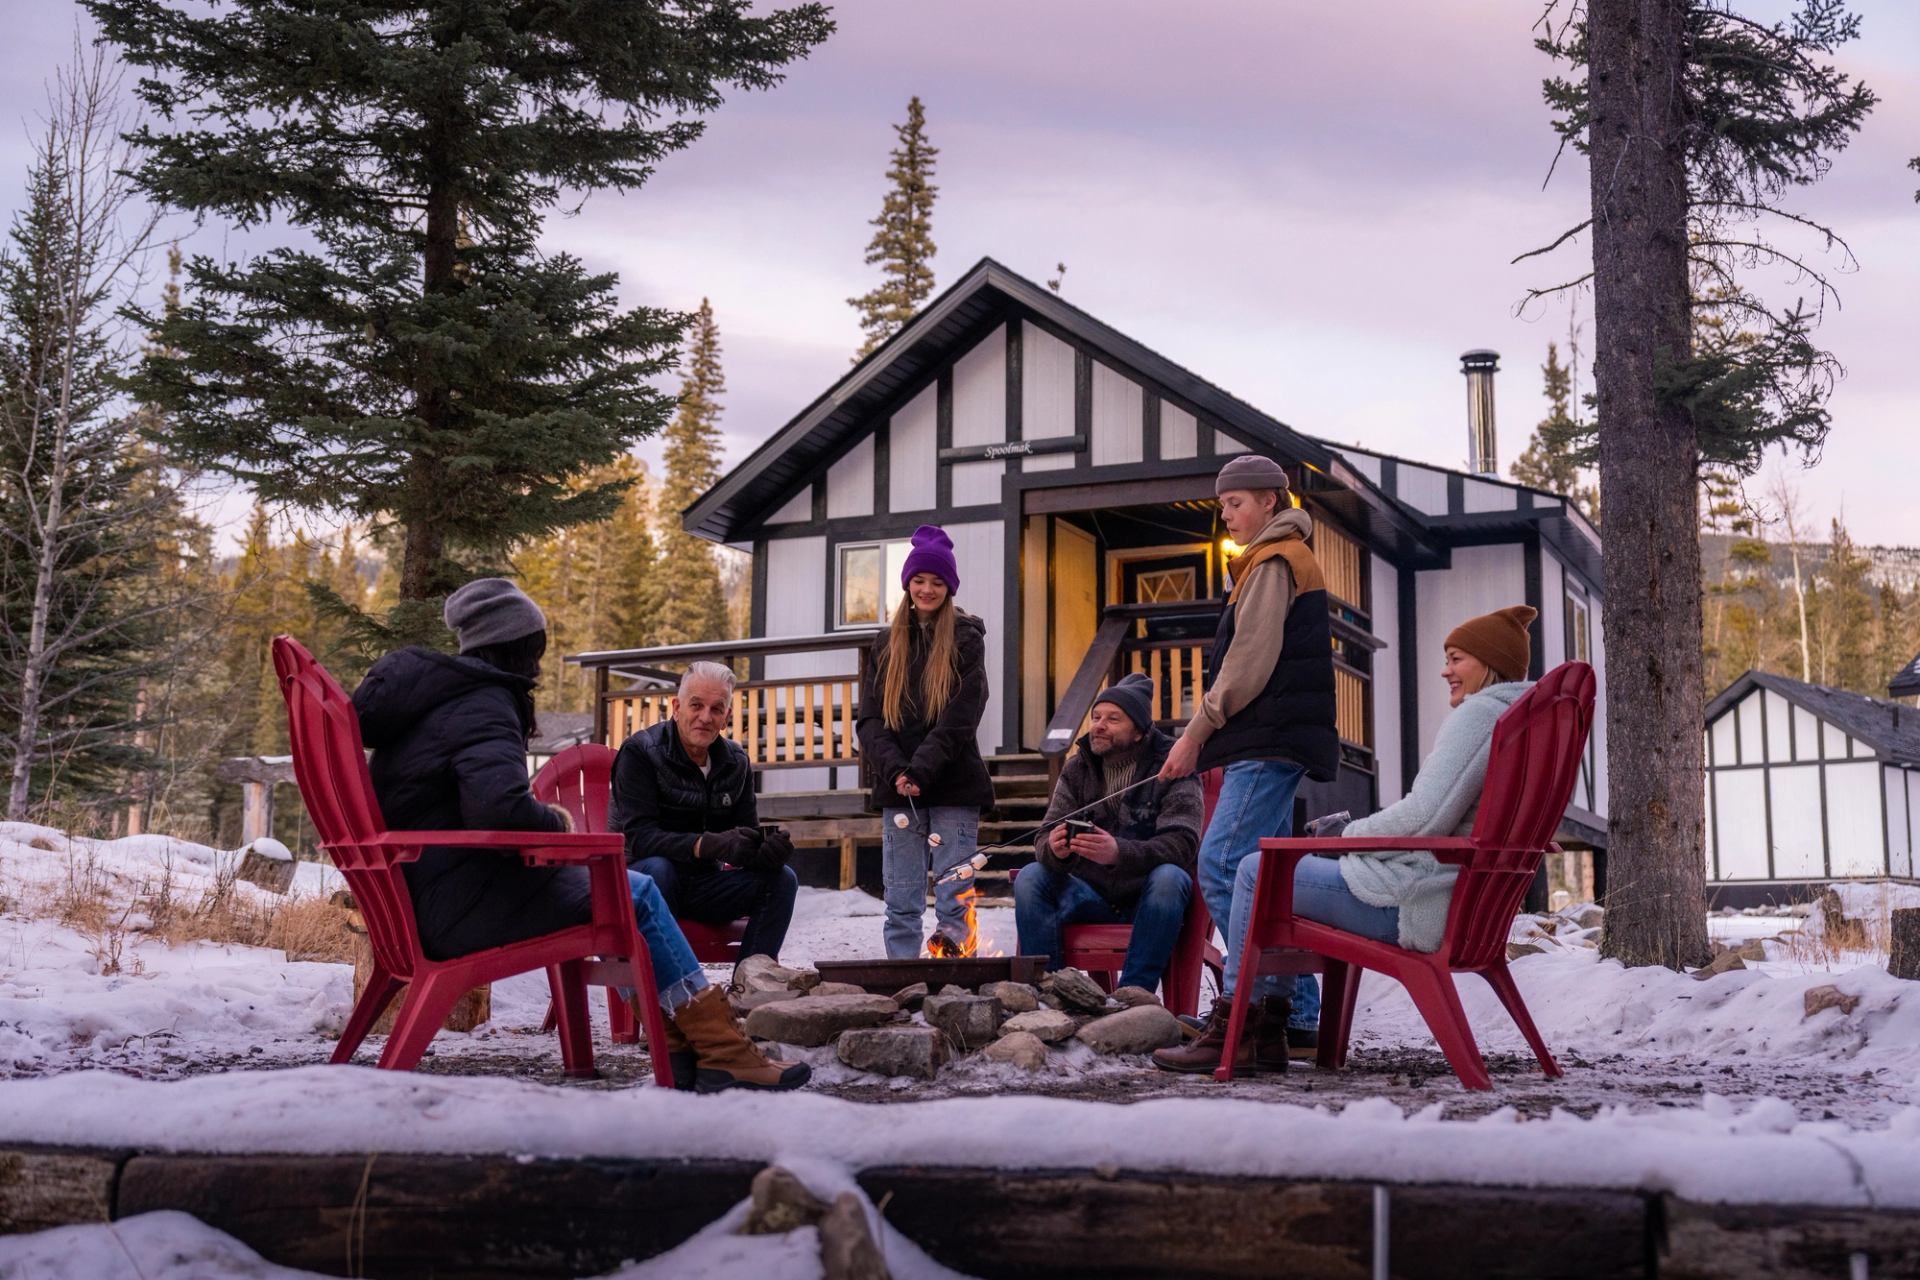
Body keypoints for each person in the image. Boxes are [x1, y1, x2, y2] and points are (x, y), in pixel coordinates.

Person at [351, 578, 808, 1094]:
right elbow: (501, 807)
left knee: (653, 889)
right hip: (455, 903)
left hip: (428, 890)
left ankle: (693, 1046)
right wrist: (558, 826)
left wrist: (755, 850)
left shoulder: (444, 702)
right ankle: (720, 1050)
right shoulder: (483, 705)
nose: (539, 667)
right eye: (536, 650)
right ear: (514, 646)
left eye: (717, 708)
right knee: (636, 888)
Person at [1154, 605, 1539, 1076]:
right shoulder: (1519, 721)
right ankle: (1274, 1028)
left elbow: (1424, 818)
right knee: (1265, 868)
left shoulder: (1478, 715)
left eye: (1457, 659)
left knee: (1256, 870)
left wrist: (1346, 837)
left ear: (1490, 663)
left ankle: (1241, 1028)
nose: (1446, 670)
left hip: (1420, 902)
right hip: (1459, 899)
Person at [1153, 453, 1337, 1075]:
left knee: (1225, 863)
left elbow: (1248, 664)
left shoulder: (1275, 560)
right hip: (1274, 735)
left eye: (1235, 503)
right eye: (1224, 504)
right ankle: (1290, 1021)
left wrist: (1195, 734)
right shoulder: (1274, 559)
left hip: (1267, 736)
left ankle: (1246, 1016)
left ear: (1269, 501)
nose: (1227, 514)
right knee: (1267, 876)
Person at [1015, 673, 1202, 998]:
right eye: (1096, 717)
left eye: (1113, 719)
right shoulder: (1078, 769)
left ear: (1140, 732)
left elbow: (1182, 844)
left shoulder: (1172, 766)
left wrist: (1119, 853)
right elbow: (1044, 837)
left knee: (1171, 877)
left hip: (1151, 899)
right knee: (1031, 877)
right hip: (1090, 895)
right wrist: (1055, 848)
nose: (1099, 725)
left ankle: (1132, 998)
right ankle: (1051, 995)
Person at [856, 524, 995, 959]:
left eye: (937, 582)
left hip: (952, 782)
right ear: (907, 584)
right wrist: (897, 770)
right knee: (901, 897)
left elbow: (963, 714)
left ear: (949, 587)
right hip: (900, 792)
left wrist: (922, 768)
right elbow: (870, 720)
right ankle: (902, 974)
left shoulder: (966, 639)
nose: (927, 589)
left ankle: (954, 982)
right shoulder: (884, 644)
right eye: (919, 580)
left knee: (954, 894)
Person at [607, 661, 798, 972]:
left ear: (727, 718)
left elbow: (744, 836)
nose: (705, 717)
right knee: (660, 869)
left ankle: (750, 985)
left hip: (702, 887)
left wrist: (767, 851)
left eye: (716, 708)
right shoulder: (640, 752)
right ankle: (672, 995)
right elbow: (638, 838)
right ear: (677, 706)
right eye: (696, 705)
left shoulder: (735, 762)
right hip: (637, 885)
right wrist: (706, 845)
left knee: (781, 880)